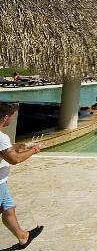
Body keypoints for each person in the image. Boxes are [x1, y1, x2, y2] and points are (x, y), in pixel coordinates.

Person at [0, 102, 44, 249]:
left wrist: (20, 146)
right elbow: (15, 159)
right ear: (5, 117)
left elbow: (4, 149)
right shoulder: (1, 137)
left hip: (2, 181)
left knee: (8, 208)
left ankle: (22, 236)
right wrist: (34, 149)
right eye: (12, 116)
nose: (12, 119)